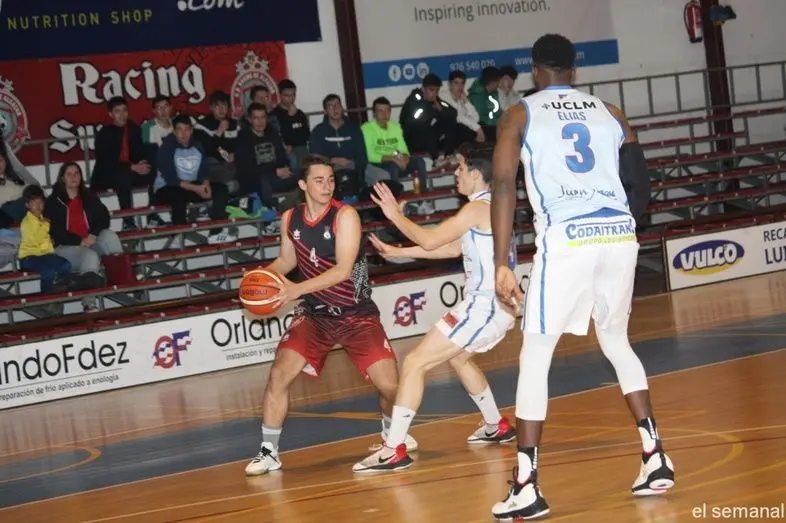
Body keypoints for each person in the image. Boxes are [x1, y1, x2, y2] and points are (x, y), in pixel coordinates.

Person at [489, 34, 670, 520]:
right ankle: (655, 455)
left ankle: (526, 485)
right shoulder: (612, 112)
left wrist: (502, 261)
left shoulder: (519, 114)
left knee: (536, 353)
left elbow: (503, 184)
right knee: (616, 341)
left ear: (534, 70)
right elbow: (641, 184)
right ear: (575, 71)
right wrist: (619, 227)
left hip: (567, 237)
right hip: (618, 234)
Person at [244, 155, 417, 476]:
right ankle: (269, 452)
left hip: (356, 313)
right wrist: (260, 278)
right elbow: (286, 261)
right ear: (302, 184)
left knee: (391, 387)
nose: (327, 186)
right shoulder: (290, 218)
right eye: (319, 180)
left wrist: (296, 289)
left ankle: (391, 434)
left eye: (331, 180)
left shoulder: (345, 216)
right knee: (278, 375)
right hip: (314, 315)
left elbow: (342, 271)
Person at [352, 147, 517, 473]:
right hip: (492, 304)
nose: (456, 173)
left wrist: (395, 216)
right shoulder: (489, 207)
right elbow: (452, 248)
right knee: (459, 357)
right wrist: (399, 252)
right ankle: (495, 425)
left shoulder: (476, 209)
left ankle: (393, 449)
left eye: (461, 168)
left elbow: (431, 241)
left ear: (476, 174)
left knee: (414, 362)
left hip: (485, 304)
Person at [17, 185, 73, 293]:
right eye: (34, 202)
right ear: (27, 205)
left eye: (40, 202)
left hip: (45, 254)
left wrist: (49, 238)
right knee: (48, 272)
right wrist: (46, 227)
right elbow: (35, 242)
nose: (38, 205)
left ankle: (62, 286)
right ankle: (47, 292)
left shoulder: (43, 220)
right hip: (29, 257)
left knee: (65, 265)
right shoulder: (26, 222)